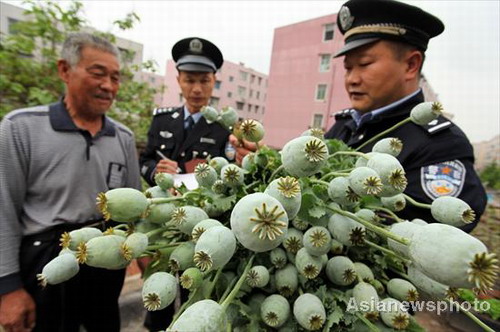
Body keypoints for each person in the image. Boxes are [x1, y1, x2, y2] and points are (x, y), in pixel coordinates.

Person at [232, 0, 487, 232]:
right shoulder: (345, 127)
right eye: (348, 68)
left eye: (364, 64)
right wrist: (270, 161)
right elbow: (312, 183)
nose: (352, 79)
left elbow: (418, 236)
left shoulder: (442, 144)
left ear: (411, 65)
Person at [0, 32, 141, 332]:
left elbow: (134, 215)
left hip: (104, 259)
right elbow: (3, 212)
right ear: (64, 70)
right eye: (98, 73)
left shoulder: (124, 138)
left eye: (115, 78)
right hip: (44, 260)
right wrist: (7, 287)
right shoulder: (20, 128)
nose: (108, 86)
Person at [139, 37, 231, 187]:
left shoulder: (223, 128)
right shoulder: (162, 120)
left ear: (214, 81)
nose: (196, 89)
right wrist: (157, 171)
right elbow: (144, 161)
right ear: (178, 80)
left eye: (204, 81)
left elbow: (228, 176)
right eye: (189, 80)